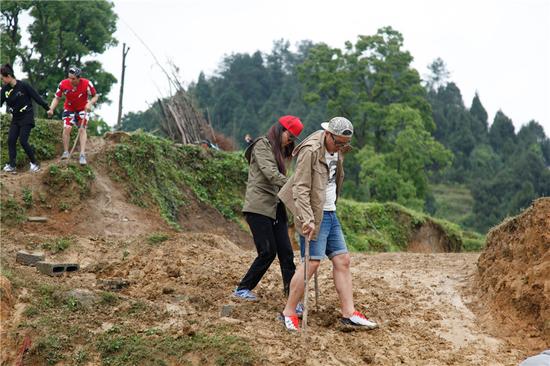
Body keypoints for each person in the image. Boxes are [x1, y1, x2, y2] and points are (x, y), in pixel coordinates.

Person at [278, 116, 379, 331]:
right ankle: (288, 312)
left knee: (342, 260)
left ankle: (349, 314)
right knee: (312, 262)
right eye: (338, 143)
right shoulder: (311, 151)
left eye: (345, 144)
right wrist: (307, 218)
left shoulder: (338, 148)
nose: (341, 148)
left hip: (330, 212)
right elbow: (300, 188)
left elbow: (333, 179)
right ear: (328, 134)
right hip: (314, 213)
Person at [233, 115, 304, 301]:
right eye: (290, 136)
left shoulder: (282, 151)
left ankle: (292, 298)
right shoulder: (262, 145)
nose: (291, 141)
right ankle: (243, 288)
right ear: (281, 130)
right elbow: (271, 174)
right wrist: (295, 185)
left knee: (287, 254)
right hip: (259, 207)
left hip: (277, 206)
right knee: (267, 252)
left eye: (294, 139)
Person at [1, 63, 49, 173]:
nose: (2, 80)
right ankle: (12, 165)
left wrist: (48, 108)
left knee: (23, 140)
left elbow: (36, 97)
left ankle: (34, 163)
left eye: (2, 78)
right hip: (16, 118)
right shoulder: (4, 89)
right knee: (11, 140)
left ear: (8, 76)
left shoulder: (24, 85)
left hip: (27, 116)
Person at [47, 66, 98, 165]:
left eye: (73, 79)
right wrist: (51, 109)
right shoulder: (63, 84)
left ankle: (82, 154)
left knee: (82, 128)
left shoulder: (87, 83)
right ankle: (66, 152)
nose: (70, 80)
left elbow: (95, 96)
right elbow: (57, 97)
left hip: (82, 108)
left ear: (79, 78)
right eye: (69, 77)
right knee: (67, 128)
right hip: (69, 108)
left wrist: (90, 103)